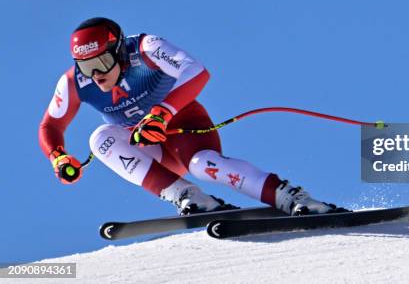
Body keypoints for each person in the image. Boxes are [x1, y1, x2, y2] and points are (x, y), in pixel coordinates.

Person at [39, 17, 342, 216]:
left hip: (185, 128)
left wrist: (161, 113)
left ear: (118, 51)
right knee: (100, 139)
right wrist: (58, 157)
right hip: (148, 146)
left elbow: (196, 70)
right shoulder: (73, 83)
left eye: (103, 62)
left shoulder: (146, 48)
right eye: (86, 66)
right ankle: (188, 197)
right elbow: (51, 125)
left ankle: (293, 198)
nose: (97, 75)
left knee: (202, 165)